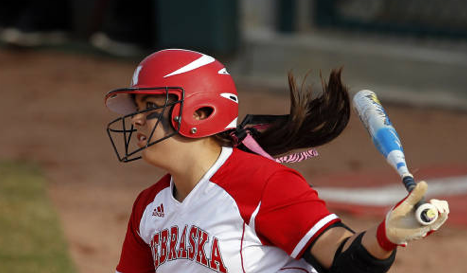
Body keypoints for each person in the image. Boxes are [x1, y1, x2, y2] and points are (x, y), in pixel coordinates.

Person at [104, 49, 449, 273]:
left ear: (201, 111)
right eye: (138, 111)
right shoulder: (148, 208)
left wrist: (385, 235)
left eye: (150, 108)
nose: (136, 120)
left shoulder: (264, 184)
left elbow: (343, 258)